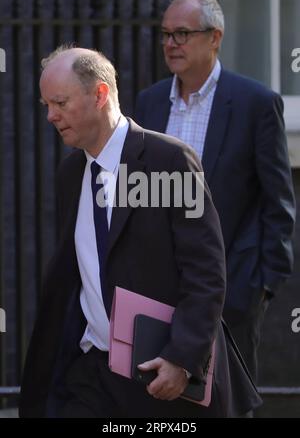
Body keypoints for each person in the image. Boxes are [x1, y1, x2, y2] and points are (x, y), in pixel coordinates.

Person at [19, 45, 261, 418]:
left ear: (99, 94)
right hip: (91, 375)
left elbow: (205, 271)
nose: (51, 116)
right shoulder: (72, 174)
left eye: (61, 103)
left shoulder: (168, 161)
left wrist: (182, 358)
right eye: (46, 105)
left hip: (161, 376)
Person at [135, 0, 296, 384]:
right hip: (160, 287)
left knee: (228, 400)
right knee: (158, 398)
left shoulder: (254, 103)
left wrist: (259, 288)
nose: (170, 44)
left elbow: (279, 203)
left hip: (232, 291)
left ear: (215, 38)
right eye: (166, 34)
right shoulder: (149, 103)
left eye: (182, 34)